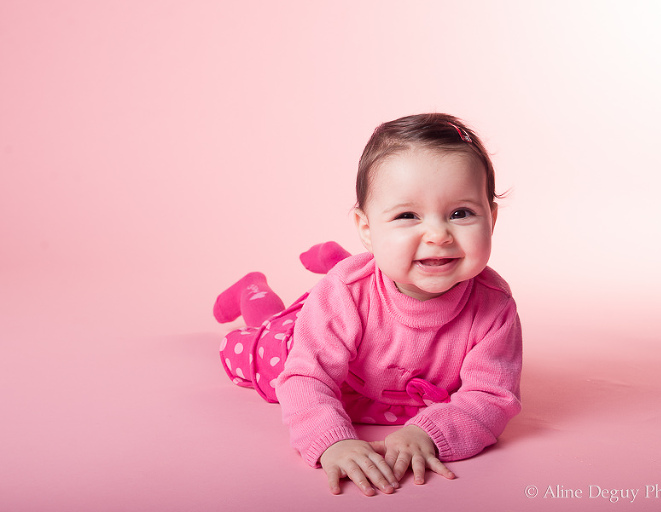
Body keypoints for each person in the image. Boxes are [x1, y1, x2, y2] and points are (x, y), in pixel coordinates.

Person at [214, 113, 522, 496]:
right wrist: (331, 440)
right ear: (367, 229)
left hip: (379, 374)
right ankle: (253, 289)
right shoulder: (345, 293)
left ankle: (340, 260)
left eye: (460, 213)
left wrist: (428, 433)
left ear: (491, 219)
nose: (439, 235)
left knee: (366, 277)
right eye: (407, 215)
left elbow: (490, 396)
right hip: (303, 341)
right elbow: (305, 378)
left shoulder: (495, 307)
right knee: (250, 343)